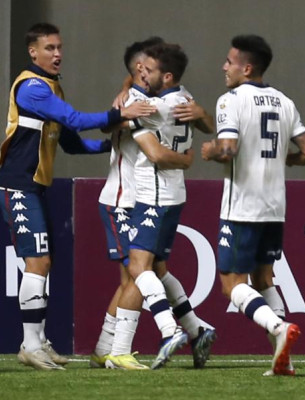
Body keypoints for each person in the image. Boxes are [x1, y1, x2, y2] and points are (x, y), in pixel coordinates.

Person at [0, 23, 155, 371]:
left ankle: (37, 340)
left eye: (59, 47)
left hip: (33, 187)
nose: (57, 54)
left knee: (43, 264)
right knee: (37, 264)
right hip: (16, 186)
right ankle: (30, 344)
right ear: (33, 52)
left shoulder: (52, 87)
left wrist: (111, 146)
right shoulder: (32, 87)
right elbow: (75, 119)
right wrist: (119, 115)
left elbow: (69, 140)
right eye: (49, 48)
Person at [90, 39, 214, 371]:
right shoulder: (147, 98)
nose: (146, 70)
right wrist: (187, 159)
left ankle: (125, 346)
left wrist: (124, 101)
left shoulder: (150, 101)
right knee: (141, 272)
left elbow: (123, 129)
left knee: (142, 272)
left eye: (151, 66)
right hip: (123, 199)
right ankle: (185, 329)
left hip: (142, 197)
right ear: (138, 69)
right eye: (142, 66)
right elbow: (109, 123)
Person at [201, 34, 305, 376]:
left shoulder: (231, 100)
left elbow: (227, 150)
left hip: (242, 206)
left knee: (231, 283)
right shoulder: (285, 102)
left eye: (229, 61)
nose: (224, 66)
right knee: (264, 279)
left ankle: (279, 328)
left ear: (246, 67)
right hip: (274, 207)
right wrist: (284, 160)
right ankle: (285, 362)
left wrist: (210, 151)